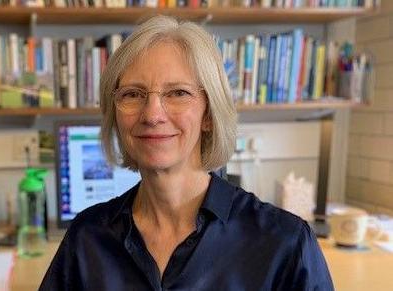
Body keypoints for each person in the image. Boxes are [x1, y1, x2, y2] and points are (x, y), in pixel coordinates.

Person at [39, 15, 334, 290]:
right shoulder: (87, 238)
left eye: (178, 93)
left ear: (208, 114)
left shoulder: (284, 244)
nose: (152, 114)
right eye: (132, 94)